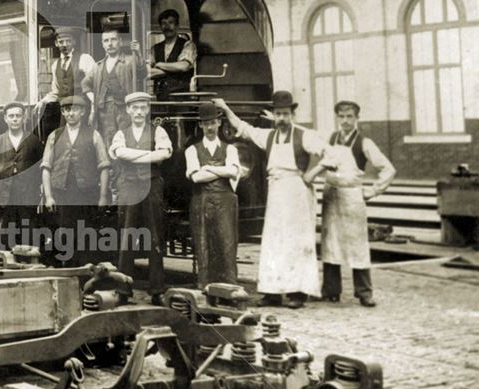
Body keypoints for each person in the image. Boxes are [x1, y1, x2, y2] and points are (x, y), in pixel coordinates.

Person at [214, 92, 326, 308]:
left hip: (297, 192)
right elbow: (244, 129)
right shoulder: (269, 136)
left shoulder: (305, 135)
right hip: (276, 192)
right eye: (278, 114)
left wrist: (312, 173)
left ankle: (297, 293)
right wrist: (225, 108)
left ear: (293, 114)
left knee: (296, 241)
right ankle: (272, 292)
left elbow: (329, 154)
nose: (282, 118)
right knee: (274, 241)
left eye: (285, 114)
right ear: (273, 115)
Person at [305, 100, 395, 307]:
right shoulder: (329, 139)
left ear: (357, 118)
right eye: (341, 117)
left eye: (349, 117)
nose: (345, 121)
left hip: (352, 196)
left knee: (358, 244)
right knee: (330, 242)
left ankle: (364, 292)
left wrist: (372, 191)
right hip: (331, 194)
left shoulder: (364, 143)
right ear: (337, 118)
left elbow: (388, 169)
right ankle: (330, 289)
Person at [109, 92, 171, 300]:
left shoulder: (158, 131)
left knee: (155, 236)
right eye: (135, 108)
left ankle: (157, 290)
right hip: (128, 188)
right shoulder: (121, 133)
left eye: (143, 108)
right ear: (128, 110)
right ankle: (123, 290)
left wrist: (133, 155)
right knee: (127, 236)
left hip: (152, 186)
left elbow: (165, 154)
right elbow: (118, 153)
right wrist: (148, 156)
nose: (139, 112)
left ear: (147, 110)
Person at [41, 95, 110, 267]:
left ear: (83, 112)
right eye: (67, 110)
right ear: (63, 113)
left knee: (86, 235)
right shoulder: (54, 136)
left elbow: (104, 166)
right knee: (62, 235)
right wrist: (48, 196)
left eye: (75, 110)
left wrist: (102, 196)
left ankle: (83, 277)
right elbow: (46, 167)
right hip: (61, 193)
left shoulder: (93, 135)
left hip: (86, 193)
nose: (70, 114)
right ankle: (65, 276)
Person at [184, 101, 241, 288]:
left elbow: (234, 172)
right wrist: (221, 169)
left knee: (227, 244)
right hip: (202, 202)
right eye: (206, 123)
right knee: (203, 245)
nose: (210, 127)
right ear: (200, 125)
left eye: (213, 122)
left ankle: (229, 287)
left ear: (219, 123)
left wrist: (207, 167)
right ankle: (206, 286)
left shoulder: (231, 149)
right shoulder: (191, 150)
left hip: (225, 202)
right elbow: (197, 178)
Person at [0, 102, 43, 249]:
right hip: (3, 198)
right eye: (11, 116)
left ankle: (28, 267)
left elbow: (40, 168)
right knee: (3, 238)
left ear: (24, 118)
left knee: (28, 237)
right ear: (5, 118)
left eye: (18, 116)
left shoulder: (34, 142)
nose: (15, 119)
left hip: (27, 197)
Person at [83, 28, 148, 150]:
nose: (110, 43)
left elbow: (142, 72)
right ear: (102, 44)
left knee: (126, 139)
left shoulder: (129, 61)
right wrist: (94, 100)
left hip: (124, 108)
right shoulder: (98, 66)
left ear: (120, 42)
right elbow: (85, 84)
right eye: (106, 40)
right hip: (104, 110)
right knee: (107, 140)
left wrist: (138, 53)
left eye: (113, 39)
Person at [38, 26, 95, 134]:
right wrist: (42, 101)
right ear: (56, 43)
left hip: (83, 111)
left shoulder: (85, 59)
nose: (64, 44)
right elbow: (56, 92)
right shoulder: (55, 65)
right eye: (61, 41)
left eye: (68, 41)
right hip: (66, 112)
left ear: (74, 42)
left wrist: (93, 110)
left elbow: (95, 87)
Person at [149, 9, 197, 99]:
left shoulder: (188, 45)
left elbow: (184, 66)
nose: (167, 27)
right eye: (164, 23)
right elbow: (148, 72)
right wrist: (173, 70)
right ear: (160, 27)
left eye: (170, 23)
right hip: (161, 98)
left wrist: (159, 64)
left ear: (177, 26)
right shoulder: (155, 49)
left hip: (182, 99)